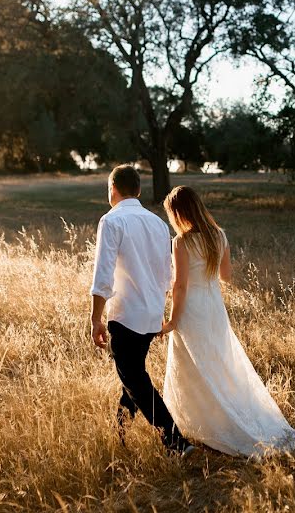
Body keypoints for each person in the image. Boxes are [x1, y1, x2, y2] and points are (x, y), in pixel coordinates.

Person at [160, 185, 295, 457]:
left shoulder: (182, 242)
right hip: (213, 306)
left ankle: (205, 423)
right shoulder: (219, 236)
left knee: (193, 365)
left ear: (179, 213)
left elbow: (181, 287)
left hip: (192, 309)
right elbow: (226, 277)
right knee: (219, 361)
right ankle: (219, 416)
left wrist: (172, 321)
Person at [89, 165, 194, 457]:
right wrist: (159, 309)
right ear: (137, 189)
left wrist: (96, 318)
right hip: (150, 314)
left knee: (133, 377)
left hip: (125, 315)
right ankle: (120, 432)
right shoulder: (158, 223)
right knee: (133, 376)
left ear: (113, 188)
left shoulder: (111, 221)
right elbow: (165, 274)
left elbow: (103, 276)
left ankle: (175, 442)